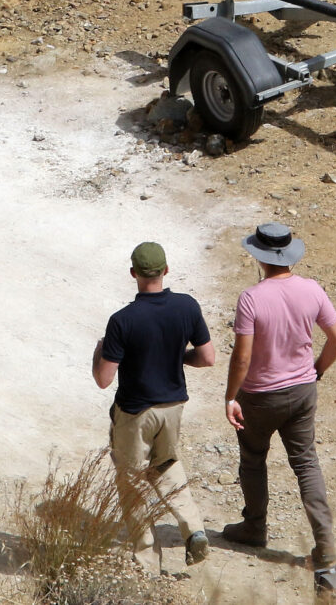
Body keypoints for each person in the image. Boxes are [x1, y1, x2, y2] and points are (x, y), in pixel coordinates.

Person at [221, 222, 336, 585]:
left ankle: (254, 527)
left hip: (260, 395)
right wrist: (316, 372)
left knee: (253, 457)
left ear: (258, 256)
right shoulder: (312, 289)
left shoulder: (251, 298)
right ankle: (324, 548)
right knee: (307, 464)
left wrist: (231, 396)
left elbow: (242, 358)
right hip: (303, 391)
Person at [92, 240, 216, 566]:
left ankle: (147, 562)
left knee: (132, 482)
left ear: (133, 273)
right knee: (167, 464)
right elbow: (207, 358)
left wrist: (99, 350)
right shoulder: (187, 307)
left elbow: (104, 379)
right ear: (166, 270)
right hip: (173, 407)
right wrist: (177, 356)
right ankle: (194, 530)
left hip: (136, 412)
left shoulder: (122, 320)